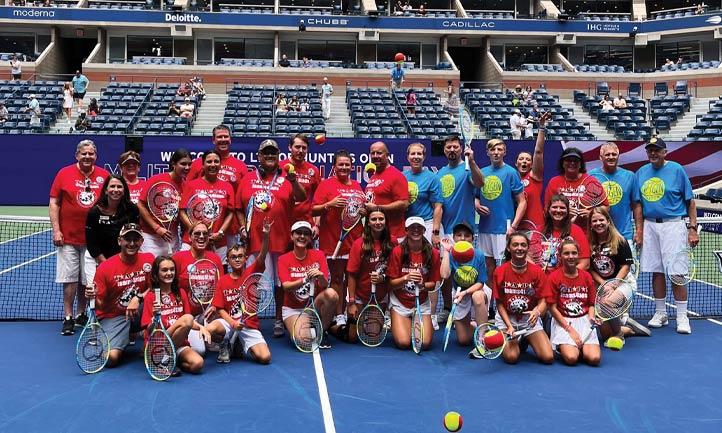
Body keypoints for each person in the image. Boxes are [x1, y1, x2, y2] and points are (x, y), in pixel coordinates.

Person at [236, 139, 306, 339]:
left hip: (281, 240)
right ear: (259, 156)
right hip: (256, 242)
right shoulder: (248, 179)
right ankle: (251, 319)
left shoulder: (286, 178)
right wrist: (242, 227)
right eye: (265, 153)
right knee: (253, 281)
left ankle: (277, 319)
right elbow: (239, 209)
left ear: (278, 157)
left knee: (279, 283)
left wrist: (294, 180)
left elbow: (301, 197)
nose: (269, 156)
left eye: (273, 153)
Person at [633, 137, 698, 334]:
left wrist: (692, 228)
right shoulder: (641, 173)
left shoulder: (677, 170)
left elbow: (690, 202)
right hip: (650, 225)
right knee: (657, 271)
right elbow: (637, 204)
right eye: (650, 150)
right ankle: (660, 312)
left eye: (657, 150)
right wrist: (640, 230)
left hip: (673, 226)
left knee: (677, 272)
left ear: (665, 152)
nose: (653, 153)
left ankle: (681, 316)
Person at [50, 140, 111, 335]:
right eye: (84, 154)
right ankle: (67, 317)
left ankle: (80, 314)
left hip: (93, 239)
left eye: (91, 154)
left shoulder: (104, 176)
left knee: (87, 280)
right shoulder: (63, 173)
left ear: (96, 156)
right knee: (69, 280)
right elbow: (54, 203)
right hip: (67, 237)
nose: (87, 157)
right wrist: (56, 230)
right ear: (77, 155)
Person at [84, 223, 154, 367]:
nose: (132, 243)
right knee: (111, 359)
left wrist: (139, 298)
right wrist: (92, 297)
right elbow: (101, 305)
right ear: (119, 241)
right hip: (113, 316)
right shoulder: (106, 267)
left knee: (159, 303)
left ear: (142, 242)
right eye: (127, 239)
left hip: (139, 311)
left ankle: (150, 344)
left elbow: (155, 287)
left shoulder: (149, 259)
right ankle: (115, 335)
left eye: (136, 239)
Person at [313, 150, 366, 329]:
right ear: (334, 167)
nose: (344, 167)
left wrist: (364, 212)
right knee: (336, 278)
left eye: (347, 164)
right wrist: (329, 205)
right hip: (332, 241)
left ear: (352, 167)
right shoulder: (326, 185)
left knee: (350, 278)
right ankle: (338, 315)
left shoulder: (357, 186)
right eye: (340, 164)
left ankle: (347, 310)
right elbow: (314, 211)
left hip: (354, 241)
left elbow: (359, 212)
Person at [208, 218, 273, 364]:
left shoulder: (252, 273)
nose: (237, 259)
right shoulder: (223, 280)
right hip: (229, 323)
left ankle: (239, 344)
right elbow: (220, 309)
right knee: (211, 328)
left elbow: (262, 256)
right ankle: (225, 343)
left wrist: (266, 235)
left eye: (240, 256)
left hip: (248, 325)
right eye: (233, 257)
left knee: (265, 358)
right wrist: (232, 323)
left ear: (245, 259)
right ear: (228, 261)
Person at [436, 134, 484, 323]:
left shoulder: (467, 169)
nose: (452, 150)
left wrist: (471, 161)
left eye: (455, 146)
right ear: (445, 150)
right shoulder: (439, 173)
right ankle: (448, 307)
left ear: (460, 148)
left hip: (464, 232)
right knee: (446, 274)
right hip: (445, 230)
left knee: (468, 270)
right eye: (448, 147)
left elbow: (480, 183)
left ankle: (473, 310)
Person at [588, 207, 651, 343]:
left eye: (601, 220)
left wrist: (613, 284)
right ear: (591, 225)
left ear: (608, 221)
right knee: (605, 335)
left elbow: (626, 267)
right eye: (594, 221)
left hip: (623, 283)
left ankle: (619, 334)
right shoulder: (590, 243)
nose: (598, 223)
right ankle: (627, 329)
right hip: (602, 285)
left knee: (606, 303)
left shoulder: (620, 240)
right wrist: (604, 283)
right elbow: (590, 269)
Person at [141, 255, 210, 374]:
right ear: (156, 274)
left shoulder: (181, 293)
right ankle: (161, 359)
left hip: (179, 342)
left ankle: (169, 361)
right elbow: (150, 330)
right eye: (164, 270)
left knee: (197, 364)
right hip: (159, 344)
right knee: (188, 318)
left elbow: (188, 323)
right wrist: (155, 317)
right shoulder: (151, 296)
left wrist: (201, 327)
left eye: (172, 269)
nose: (169, 273)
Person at [493, 232, 554, 364]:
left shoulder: (537, 271)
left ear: (527, 248)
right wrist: (509, 326)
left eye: (523, 245)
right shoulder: (500, 272)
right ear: (509, 248)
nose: (519, 248)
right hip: (507, 320)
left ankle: (525, 338)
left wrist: (537, 312)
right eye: (515, 245)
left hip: (529, 320)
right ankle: (512, 337)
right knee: (511, 357)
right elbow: (499, 304)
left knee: (548, 357)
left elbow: (544, 300)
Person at [475, 138, 527, 284]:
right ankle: (490, 306)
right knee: (488, 268)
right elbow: (475, 197)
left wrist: (514, 226)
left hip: (504, 228)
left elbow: (522, 202)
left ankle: (503, 303)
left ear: (504, 152)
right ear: (487, 152)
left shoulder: (511, 172)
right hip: (485, 228)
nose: (496, 152)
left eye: (499, 149)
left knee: (505, 267)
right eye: (492, 149)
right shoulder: (482, 172)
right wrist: (477, 205)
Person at [187, 124, 249, 247]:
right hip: (201, 223)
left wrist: (241, 226)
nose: (223, 139)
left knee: (227, 261)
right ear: (213, 140)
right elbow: (188, 191)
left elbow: (243, 198)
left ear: (230, 139)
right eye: (219, 137)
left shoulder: (240, 166)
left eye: (226, 136)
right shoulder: (198, 164)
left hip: (229, 226)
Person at [279, 221, 338, 349]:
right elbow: (286, 287)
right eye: (298, 233)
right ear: (291, 236)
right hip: (292, 309)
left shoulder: (319, 255)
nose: (302, 236)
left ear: (310, 238)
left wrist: (321, 275)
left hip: (313, 306)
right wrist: (305, 279)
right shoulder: (283, 259)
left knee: (332, 294)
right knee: (303, 341)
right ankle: (303, 325)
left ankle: (322, 330)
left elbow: (324, 285)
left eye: (306, 234)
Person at [403, 143, 443, 326]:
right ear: (408, 156)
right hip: (407, 227)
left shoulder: (432, 178)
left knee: (430, 270)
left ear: (424, 157)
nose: (416, 156)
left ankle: (432, 315)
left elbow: (438, 207)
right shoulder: (403, 177)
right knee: (407, 268)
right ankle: (405, 310)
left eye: (419, 153)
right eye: (413, 154)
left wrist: (434, 232)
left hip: (426, 225)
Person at [344, 207, 398, 343]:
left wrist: (383, 277)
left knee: (371, 336)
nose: (378, 222)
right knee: (352, 338)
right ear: (367, 222)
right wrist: (351, 302)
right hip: (360, 295)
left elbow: (394, 270)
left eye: (381, 219)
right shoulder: (359, 244)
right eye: (374, 219)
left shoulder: (393, 242)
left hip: (380, 296)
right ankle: (335, 327)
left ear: (386, 221)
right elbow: (351, 274)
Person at [386, 217, 441, 350]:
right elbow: (390, 284)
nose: (415, 230)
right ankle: (401, 321)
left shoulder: (433, 253)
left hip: (421, 303)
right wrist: (406, 278)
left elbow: (433, 285)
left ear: (423, 230)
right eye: (412, 228)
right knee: (404, 343)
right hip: (400, 303)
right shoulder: (397, 251)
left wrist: (422, 284)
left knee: (424, 344)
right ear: (406, 231)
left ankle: (413, 322)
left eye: (419, 228)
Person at [85, 174, 140, 301]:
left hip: (123, 259)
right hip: (96, 258)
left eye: (119, 187)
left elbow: (134, 237)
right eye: (112, 186)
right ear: (106, 190)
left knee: (119, 293)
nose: (116, 190)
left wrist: (120, 263)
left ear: (124, 190)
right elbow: (91, 242)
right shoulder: (95, 212)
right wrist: (106, 264)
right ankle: (93, 317)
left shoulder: (132, 210)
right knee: (96, 293)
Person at [172, 221, 224, 354]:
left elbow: (221, 287)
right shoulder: (178, 258)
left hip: (208, 313)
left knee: (224, 327)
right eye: (197, 233)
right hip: (187, 316)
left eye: (205, 234)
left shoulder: (215, 259)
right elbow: (169, 286)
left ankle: (213, 336)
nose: (201, 236)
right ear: (189, 237)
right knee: (199, 351)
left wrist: (214, 305)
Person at [546, 238, 601, 366]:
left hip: (584, 319)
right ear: (560, 256)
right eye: (566, 253)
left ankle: (580, 346)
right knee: (571, 358)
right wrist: (569, 329)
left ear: (578, 255)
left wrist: (592, 317)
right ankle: (566, 346)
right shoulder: (554, 277)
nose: (570, 257)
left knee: (594, 359)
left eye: (574, 253)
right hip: (563, 321)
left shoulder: (586, 276)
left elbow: (591, 304)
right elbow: (552, 308)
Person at [440, 222, 490, 351]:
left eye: (467, 235)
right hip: (458, 294)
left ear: (472, 239)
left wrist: (465, 292)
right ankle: (475, 325)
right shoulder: (451, 255)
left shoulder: (478, 255)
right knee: (464, 341)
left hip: (476, 291)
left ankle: (482, 335)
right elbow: (445, 275)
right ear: (454, 238)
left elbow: (480, 283)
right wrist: (446, 252)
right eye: (459, 235)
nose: (463, 238)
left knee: (477, 296)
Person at [179, 150, 235, 259]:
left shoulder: (227, 187)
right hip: (192, 241)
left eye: (216, 161)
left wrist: (220, 233)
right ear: (203, 165)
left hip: (218, 243)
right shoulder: (191, 185)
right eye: (209, 162)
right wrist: (195, 230)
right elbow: (182, 211)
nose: (213, 165)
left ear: (220, 164)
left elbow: (230, 213)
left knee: (217, 273)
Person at [138, 148, 191, 256]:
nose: (187, 168)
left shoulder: (186, 187)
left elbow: (181, 213)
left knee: (169, 271)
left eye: (189, 164)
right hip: (150, 236)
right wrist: (156, 228)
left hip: (171, 236)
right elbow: (140, 205)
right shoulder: (156, 180)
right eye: (183, 164)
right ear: (173, 164)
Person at [544, 147, 608, 230]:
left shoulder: (591, 181)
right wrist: (563, 212)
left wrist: (592, 213)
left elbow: (606, 207)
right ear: (562, 163)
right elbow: (546, 209)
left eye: (576, 161)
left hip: (587, 232)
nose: (572, 163)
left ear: (581, 164)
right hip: (561, 230)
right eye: (568, 160)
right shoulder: (554, 182)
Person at [588, 142, 639, 242]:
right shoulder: (591, 176)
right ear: (600, 157)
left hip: (624, 234)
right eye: (607, 154)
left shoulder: (630, 176)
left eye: (614, 154)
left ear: (618, 156)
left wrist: (639, 231)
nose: (611, 157)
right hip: (599, 234)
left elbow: (636, 205)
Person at [365, 141, 409, 241]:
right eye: (373, 153)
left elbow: (404, 204)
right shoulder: (374, 176)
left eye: (379, 153)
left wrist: (377, 208)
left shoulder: (396, 175)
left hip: (394, 235)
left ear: (387, 155)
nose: (375, 156)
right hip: (376, 235)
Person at [515, 111, 551, 230]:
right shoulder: (512, 180)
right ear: (516, 163)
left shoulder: (535, 177)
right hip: (515, 227)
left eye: (528, 160)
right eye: (521, 159)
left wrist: (541, 127)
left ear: (532, 165)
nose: (524, 161)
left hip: (535, 227)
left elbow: (538, 152)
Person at [540, 194, 591, 273]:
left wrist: (564, 277)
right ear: (548, 210)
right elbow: (529, 258)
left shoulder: (576, 231)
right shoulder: (539, 230)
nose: (558, 210)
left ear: (568, 211)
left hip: (564, 282)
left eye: (562, 208)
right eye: (554, 207)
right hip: (541, 280)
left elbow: (585, 264)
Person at [286, 133, 321, 232]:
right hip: (283, 222)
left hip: (306, 223)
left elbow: (320, 200)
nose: (301, 151)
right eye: (297, 147)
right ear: (290, 148)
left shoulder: (313, 170)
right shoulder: (279, 167)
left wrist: (316, 225)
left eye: (304, 148)